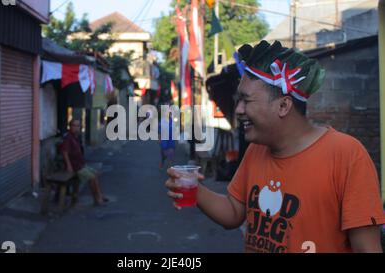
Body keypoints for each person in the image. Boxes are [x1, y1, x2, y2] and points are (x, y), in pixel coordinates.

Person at [165, 40, 385, 253]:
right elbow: (233, 212)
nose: (238, 110)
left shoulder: (346, 155)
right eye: (237, 101)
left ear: (283, 105)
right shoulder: (256, 150)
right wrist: (194, 188)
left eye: (246, 100)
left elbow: (366, 248)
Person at [60, 119, 108, 206]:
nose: (76, 128)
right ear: (70, 127)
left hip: (81, 164)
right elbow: (64, 152)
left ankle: (99, 195)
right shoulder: (68, 138)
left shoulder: (76, 137)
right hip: (76, 167)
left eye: (78, 126)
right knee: (92, 177)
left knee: (96, 174)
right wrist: (69, 166)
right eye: (74, 126)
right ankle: (97, 199)